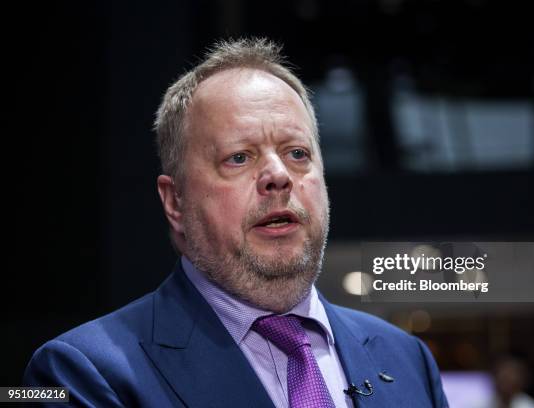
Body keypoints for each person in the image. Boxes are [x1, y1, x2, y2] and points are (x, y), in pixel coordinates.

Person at [23, 38, 449, 408]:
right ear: (175, 201)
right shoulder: (80, 374)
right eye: (239, 157)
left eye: (297, 153)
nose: (279, 175)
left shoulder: (406, 358)